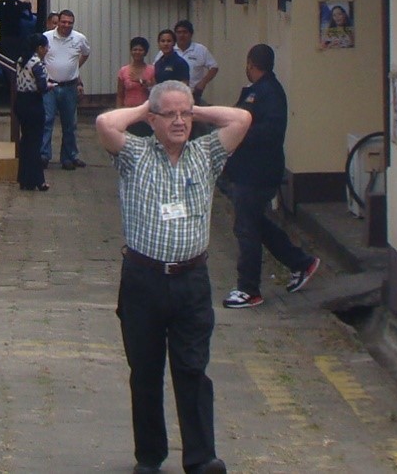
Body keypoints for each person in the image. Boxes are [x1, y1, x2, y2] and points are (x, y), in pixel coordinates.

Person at [97, 80, 252, 474]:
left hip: (191, 281)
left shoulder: (206, 154)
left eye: (186, 114)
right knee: (146, 372)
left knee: (193, 370)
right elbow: (105, 124)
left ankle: (201, 458)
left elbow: (242, 118)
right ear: (152, 120)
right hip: (143, 281)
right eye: (171, 115)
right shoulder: (134, 154)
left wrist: (191, 108)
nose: (180, 121)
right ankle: (149, 457)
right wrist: (148, 108)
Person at [220, 44, 320, 309]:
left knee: (246, 229)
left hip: (257, 172)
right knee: (255, 223)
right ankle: (301, 262)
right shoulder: (257, 91)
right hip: (245, 170)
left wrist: (239, 133)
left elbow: (270, 131)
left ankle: (249, 289)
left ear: (251, 63)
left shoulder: (270, 93)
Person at [41, 9, 91, 171]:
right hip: (50, 86)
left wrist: (75, 68)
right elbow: (39, 56)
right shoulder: (47, 37)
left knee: (69, 124)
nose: (66, 25)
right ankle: (43, 156)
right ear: (58, 21)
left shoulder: (79, 39)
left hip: (69, 87)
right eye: (63, 22)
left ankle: (68, 157)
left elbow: (85, 53)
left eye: (70, 23)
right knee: (47, 121)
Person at [13, 37, 52, 192]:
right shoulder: (37, 63)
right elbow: (42, 86)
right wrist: (50, 86)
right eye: (46, 47)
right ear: (40, 48)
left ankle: (24, 179)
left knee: (25, 141)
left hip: (21, 101)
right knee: (35, 143)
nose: (47, 50)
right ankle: (38, 180)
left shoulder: (21, 59)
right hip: (33, 103)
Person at [173, 19, 219, 103]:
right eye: (178, 32)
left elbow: (214, 67)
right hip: (172, 95)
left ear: (191, 34)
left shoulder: (200, 49)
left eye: (185, 32)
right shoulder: (169, 50)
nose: (181, 35)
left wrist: (203, 82)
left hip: (193, 94)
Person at [117, 36, 156, 109]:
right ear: (131, 51)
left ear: (145, 52)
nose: (137, 52)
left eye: (140, 50)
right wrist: (118, 111)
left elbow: (155, 91)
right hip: (128, 110)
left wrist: (141, 81)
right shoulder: (123, 71)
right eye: (135, 49)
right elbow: (120, 95)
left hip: (146, 110)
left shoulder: (152, 70)